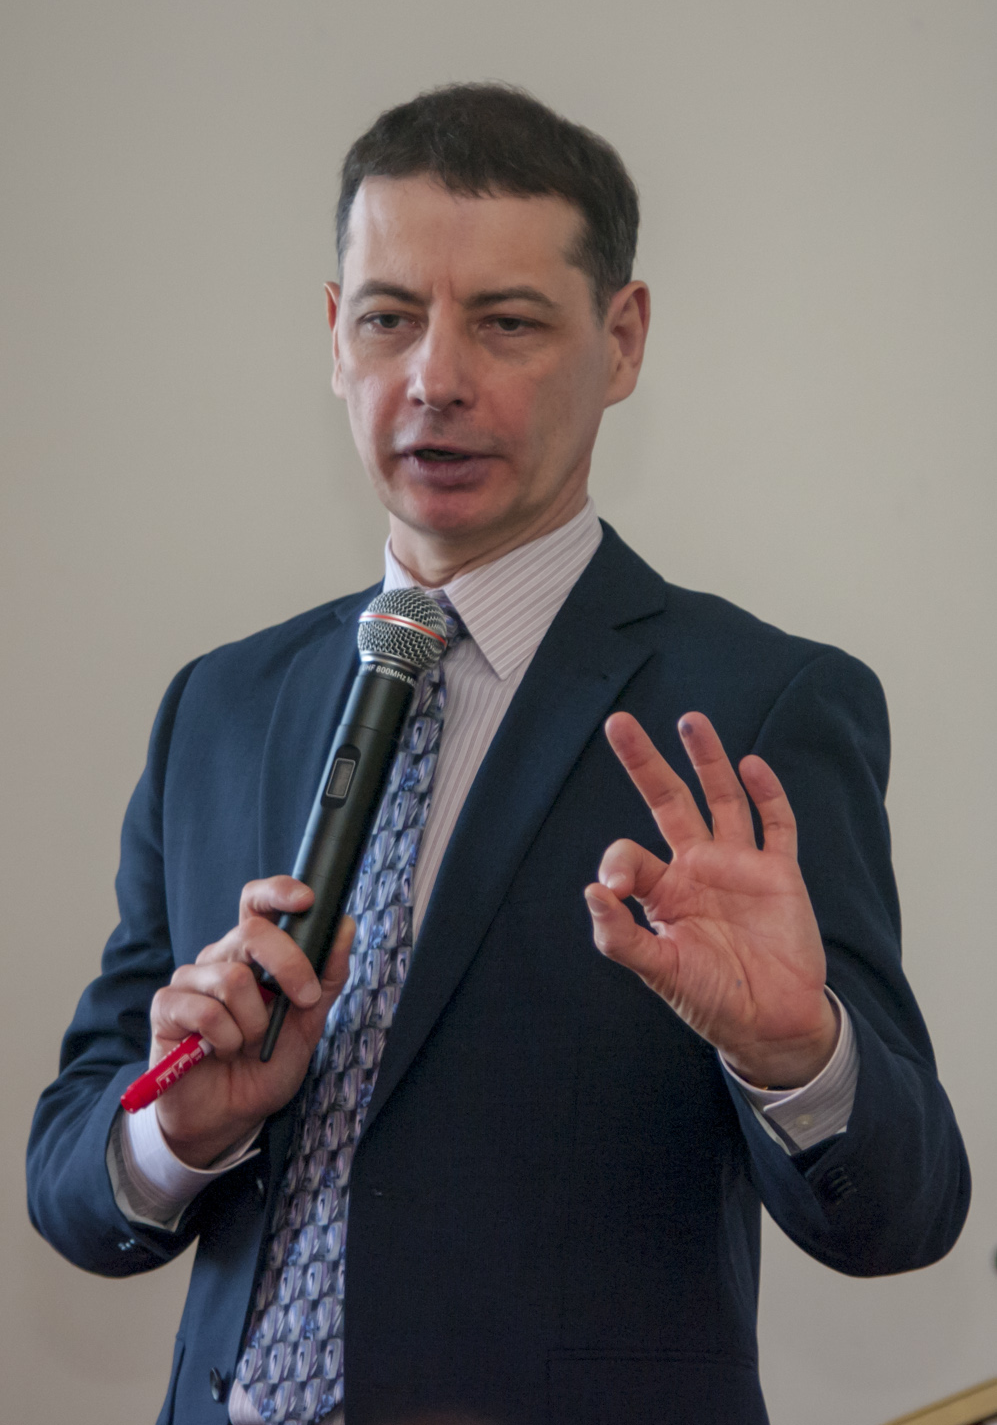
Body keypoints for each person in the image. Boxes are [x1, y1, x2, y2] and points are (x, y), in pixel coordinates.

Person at [27, 84, 969, 1425]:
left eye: (507, 322)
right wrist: (175, 1127)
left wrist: (795, 1054)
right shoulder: (219, 707)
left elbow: (903, 1211)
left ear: (621, 339)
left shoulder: (755, 709)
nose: (436, 378)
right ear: (333, 335)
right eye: (388, 318)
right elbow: (72, 1177)